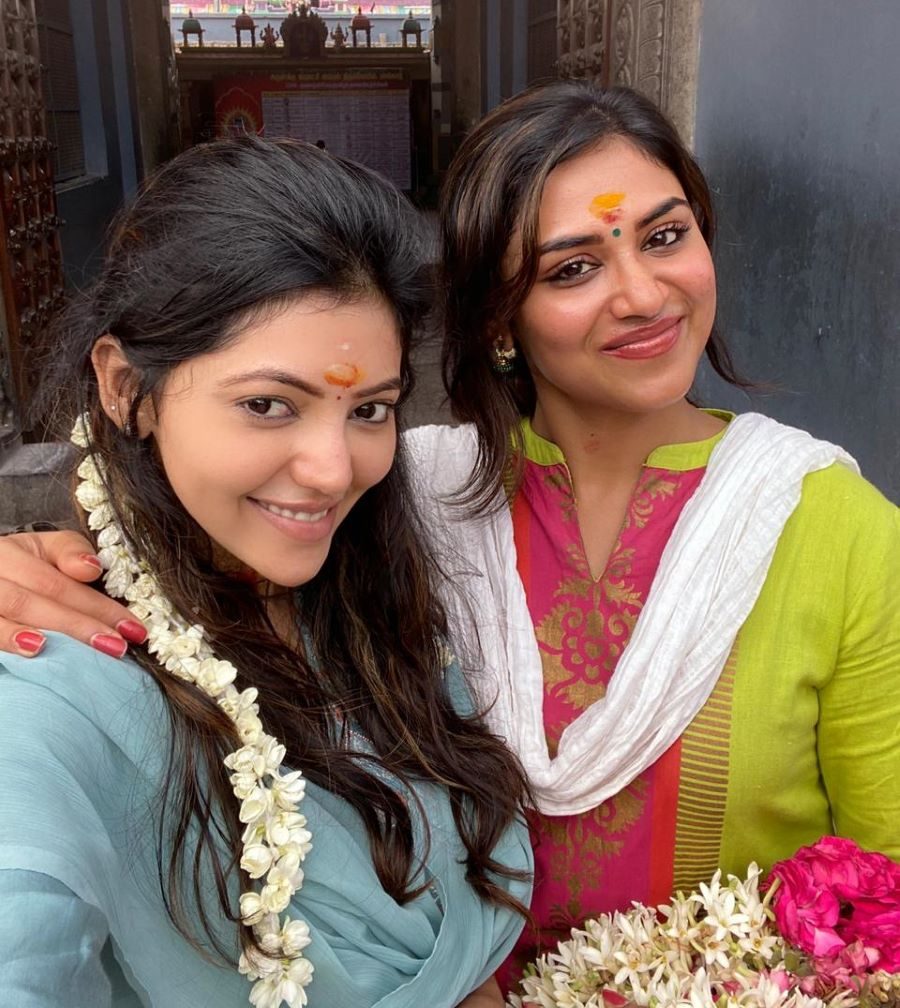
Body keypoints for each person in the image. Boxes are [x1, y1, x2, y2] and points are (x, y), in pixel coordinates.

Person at [2, 80, 899, 991]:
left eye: (666, 236)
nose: (643, 294)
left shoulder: (832, 526)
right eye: (572, 268)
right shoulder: (410, 503)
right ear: (497, 317)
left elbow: (886, 889)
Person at [0, 136, 531, 1007]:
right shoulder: (55, 681)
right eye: (267, 404)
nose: (333, 469)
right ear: (126, 388)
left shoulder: (368, 597)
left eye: (371, 409)